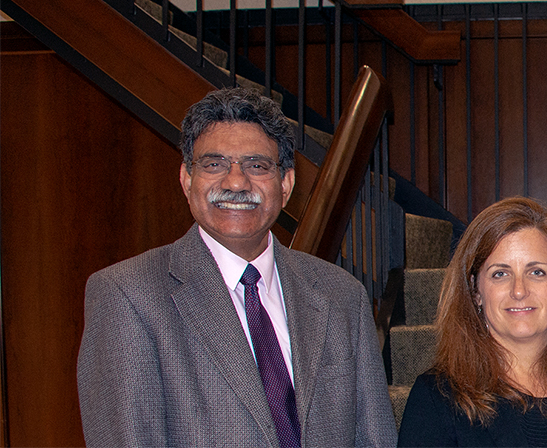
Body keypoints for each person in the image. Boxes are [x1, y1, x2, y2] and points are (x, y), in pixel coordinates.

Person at [76, 87, 397, 447]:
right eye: (214, 164)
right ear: (186, 179)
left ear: (286, 184)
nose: (235, 182)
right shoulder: (127, 294)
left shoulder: (342, 294)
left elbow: (375, 438)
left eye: (256, 166)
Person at [397, 197, 547, 447]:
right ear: (475, 291)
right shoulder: (437, 398)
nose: (519, 290)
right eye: (500, 274)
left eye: (537, 272)